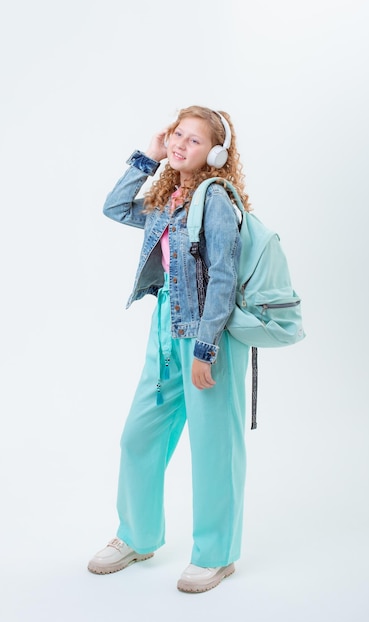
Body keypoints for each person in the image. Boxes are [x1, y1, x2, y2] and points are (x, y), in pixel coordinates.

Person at [88, 105, 252, 593]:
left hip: (208, 334)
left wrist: (206, 347)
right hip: (166, 328)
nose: (181, 143)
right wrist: (150, 158)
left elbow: (223, 275)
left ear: (216, 154)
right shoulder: (169, 197)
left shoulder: (216, 198)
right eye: (177, 134)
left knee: (213, 448)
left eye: (193, 140)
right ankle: (137, 536)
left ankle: (217, 555)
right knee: (139, 435)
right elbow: (114, 208)